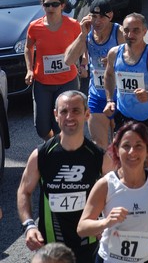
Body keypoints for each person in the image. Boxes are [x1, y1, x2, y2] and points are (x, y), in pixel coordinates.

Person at [17, 90, 113, 263]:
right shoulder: (42, 155)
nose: (69, 116)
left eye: (76, 111)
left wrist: (105, 223)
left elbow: (117, 191)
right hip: (52, 248)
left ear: (86, 114)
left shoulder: (98, 156)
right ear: (55, 115)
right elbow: (24, 191)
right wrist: (29, 226)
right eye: (64, 111)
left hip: (89, 244)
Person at [77, 121, 148, 263]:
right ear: (117, 150)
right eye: (126, 146)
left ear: (147, 151)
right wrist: (105, 222)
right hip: (111, 259)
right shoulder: (105, 185)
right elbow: (82, 228)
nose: (132, 152)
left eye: (138, 146)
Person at [103, 13, 148, 175]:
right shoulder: (114, 53)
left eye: (136, 30)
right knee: (121, 164)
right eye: (126, 30)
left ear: (145, 31)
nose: (130, 35)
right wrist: (110, 100)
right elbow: (109, 75)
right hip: (124, 117)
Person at [64, 0, 125, 149]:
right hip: (97, 95)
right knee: (99, 145)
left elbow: (136, 59)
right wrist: (82, 35)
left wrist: (115, 61)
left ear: (110, 15)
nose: (97, 21)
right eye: (94, 16)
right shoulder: (87, 34)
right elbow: (68, 60)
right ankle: (105, 172)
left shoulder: (119, 32)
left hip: (121, 96)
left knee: (121, 146)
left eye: (101, 17)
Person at [24, 0, 82, 139]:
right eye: (47, 4)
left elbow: (83, 45)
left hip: (67, 81)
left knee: (61, 124)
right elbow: (28, 48)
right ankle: (53, 143)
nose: (50, 8)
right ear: (42, 6)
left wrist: (84, 64)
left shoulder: (73, 25)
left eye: (54, 4)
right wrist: (29, 70)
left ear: (62, 6)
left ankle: (59, 151)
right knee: (42, 127)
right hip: (43, 82)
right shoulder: (35, 27)